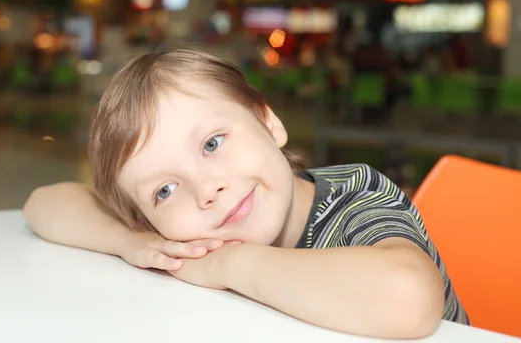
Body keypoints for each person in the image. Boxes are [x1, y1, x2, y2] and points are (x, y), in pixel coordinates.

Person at [23, 49, 469, 339]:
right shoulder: (169, 232)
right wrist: (131, 242)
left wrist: (228, 264)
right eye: (165, 189)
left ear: (268, 122)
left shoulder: (357, 198)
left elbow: (407, 298)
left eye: (212, 143)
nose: (206, 189)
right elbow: (42, 204)